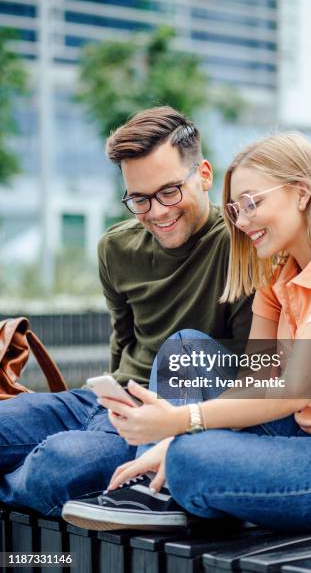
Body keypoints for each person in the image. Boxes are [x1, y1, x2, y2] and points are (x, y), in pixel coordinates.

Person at [62, 131, 311, 532]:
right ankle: (155, 487)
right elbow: (255, 382)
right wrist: (167, 441)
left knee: (192, 457)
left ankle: (174, 478)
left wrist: (179, 423)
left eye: (251, 204)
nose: (241, 222)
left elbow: (293, 390)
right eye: (235, 209)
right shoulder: (279, 278)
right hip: (302, 435)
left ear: (302, 192)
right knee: (185, 350)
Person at [0, 106, 251, 517]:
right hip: (102, 401)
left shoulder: (242, 247)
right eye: (138, 198)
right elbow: (124, 337)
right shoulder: (115, 248)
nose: (156, 211)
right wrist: (110, 397)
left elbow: (247, 367)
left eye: (170, 191)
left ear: (204, 175)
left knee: (61, 463)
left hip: (163, 420)